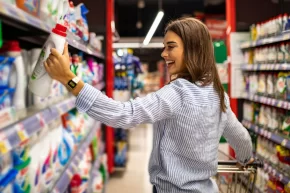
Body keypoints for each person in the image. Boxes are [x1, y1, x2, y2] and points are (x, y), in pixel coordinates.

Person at [44, 17, 253, 193]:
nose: (163, 54)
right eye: (164, 47)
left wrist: (69, 79)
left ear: (193, 50)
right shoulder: (218, 94)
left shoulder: (177, 92)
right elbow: (241, 137)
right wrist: (246, 159)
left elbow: (124, 114)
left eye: (171, 47)